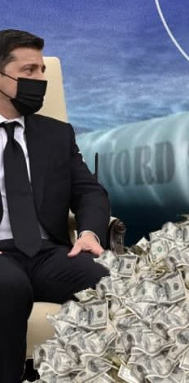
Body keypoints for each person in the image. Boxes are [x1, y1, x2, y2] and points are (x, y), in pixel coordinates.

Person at [0, 29, 110, 381]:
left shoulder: (57, 134)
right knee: (9, 287)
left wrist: (90, 233)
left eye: (42, 71)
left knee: (110, 280)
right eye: (28, 71)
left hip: (48, 253)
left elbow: (89, 192)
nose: (40, 80)